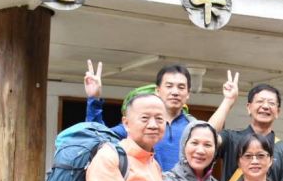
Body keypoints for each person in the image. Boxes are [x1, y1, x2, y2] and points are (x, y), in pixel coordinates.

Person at [83, 60, 233, 171]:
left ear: (187, 94)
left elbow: (210, 132)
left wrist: (228, 100)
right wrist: (93, 99)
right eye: (169, 86)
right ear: (157, 90)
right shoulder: (141, 124)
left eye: (181, 87)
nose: (175, 92)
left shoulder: (191, 127)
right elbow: (99, 137)